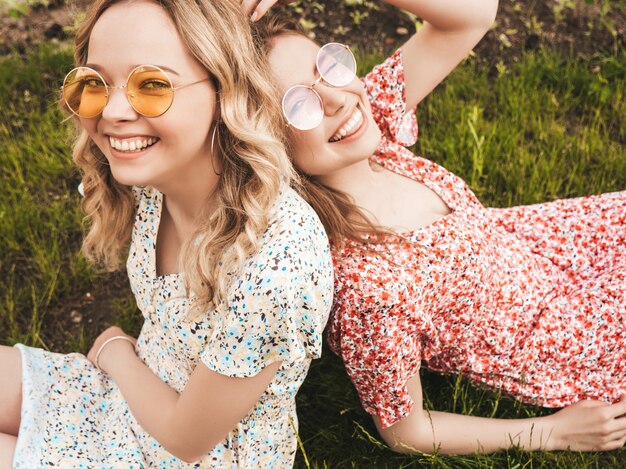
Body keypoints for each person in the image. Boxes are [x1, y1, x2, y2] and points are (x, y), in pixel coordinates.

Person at [248, 0, 626, 455]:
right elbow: (407, 432)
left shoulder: (373, 126)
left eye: (328, 65)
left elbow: (473, 14)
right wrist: (554, 433)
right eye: (298, 104)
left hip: (543, 247)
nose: (334, 98)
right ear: (266, 143)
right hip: (560, 338)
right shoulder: (369, 288)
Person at [0, 0, 334, 466]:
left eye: (152, 85)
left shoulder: (277, 266)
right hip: (141, 389)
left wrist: (116, 351)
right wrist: (122, 358)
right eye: (93, 84)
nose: (113, 111)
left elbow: (186, 438)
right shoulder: (158, 181)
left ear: (225, 90)